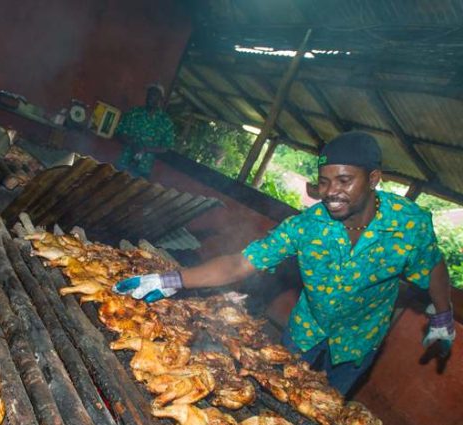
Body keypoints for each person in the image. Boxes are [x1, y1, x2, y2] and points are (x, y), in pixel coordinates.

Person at [113, 131, 456, 395]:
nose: (330, 192)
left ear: (374, 178)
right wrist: (170, 279)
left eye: (344, 181)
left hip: (360, 338)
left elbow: (433, 266)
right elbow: (239, 264)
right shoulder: (306, 227)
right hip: (306, 329)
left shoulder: (409, 225)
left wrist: (443, 315)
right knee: (276, 390)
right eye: (324, 181)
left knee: (327, 409)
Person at [115, 84, 175, 179]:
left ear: (161, 99)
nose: (150, 97)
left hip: (144, 169)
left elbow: (165, 147)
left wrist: (145, 149)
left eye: (154, 95)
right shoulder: (134, 113)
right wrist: (132, 144)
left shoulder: (166, 122)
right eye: (149, 94)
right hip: (123, 162)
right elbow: (119, 133)